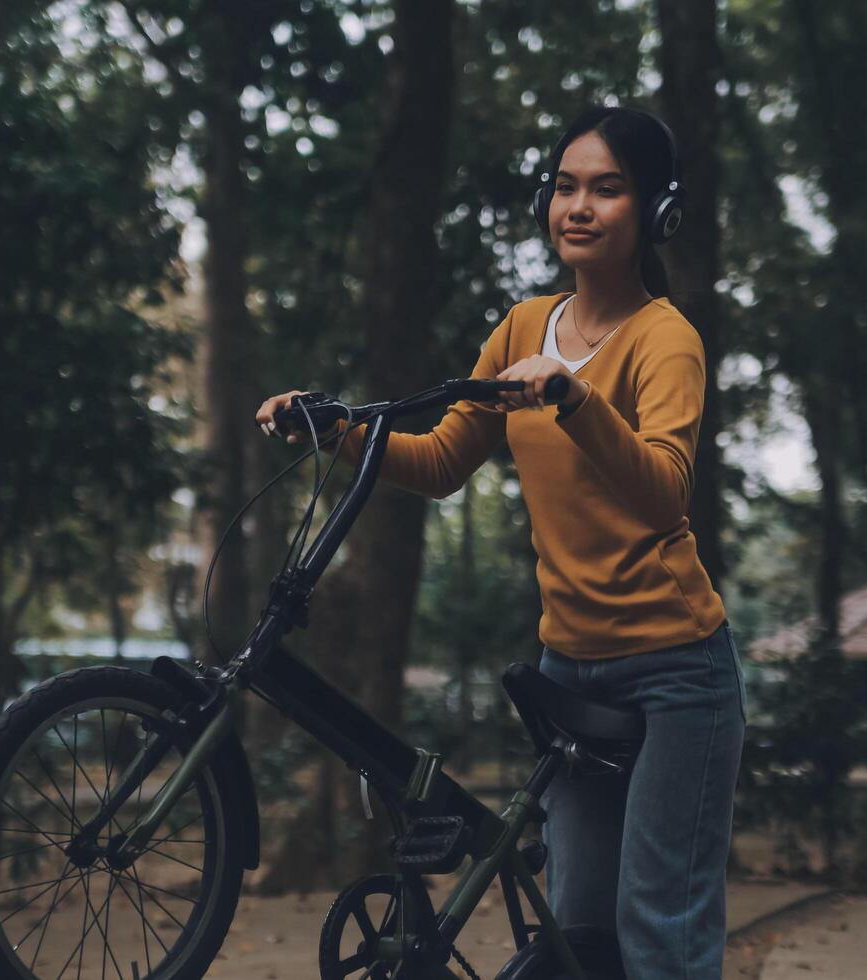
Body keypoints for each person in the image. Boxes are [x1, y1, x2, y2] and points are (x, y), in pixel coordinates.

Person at [255, 105, 746, 979]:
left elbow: (666, 489)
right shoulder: (524, 328)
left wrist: (574, 400)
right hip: (568, 671)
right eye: (565, 188)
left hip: (677, 671)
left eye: (607, 188)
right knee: (578, 934)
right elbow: (442, 459)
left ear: (655, 213)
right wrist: (335, 431)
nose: (579, 207)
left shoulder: (666, 339)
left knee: (657, 928)